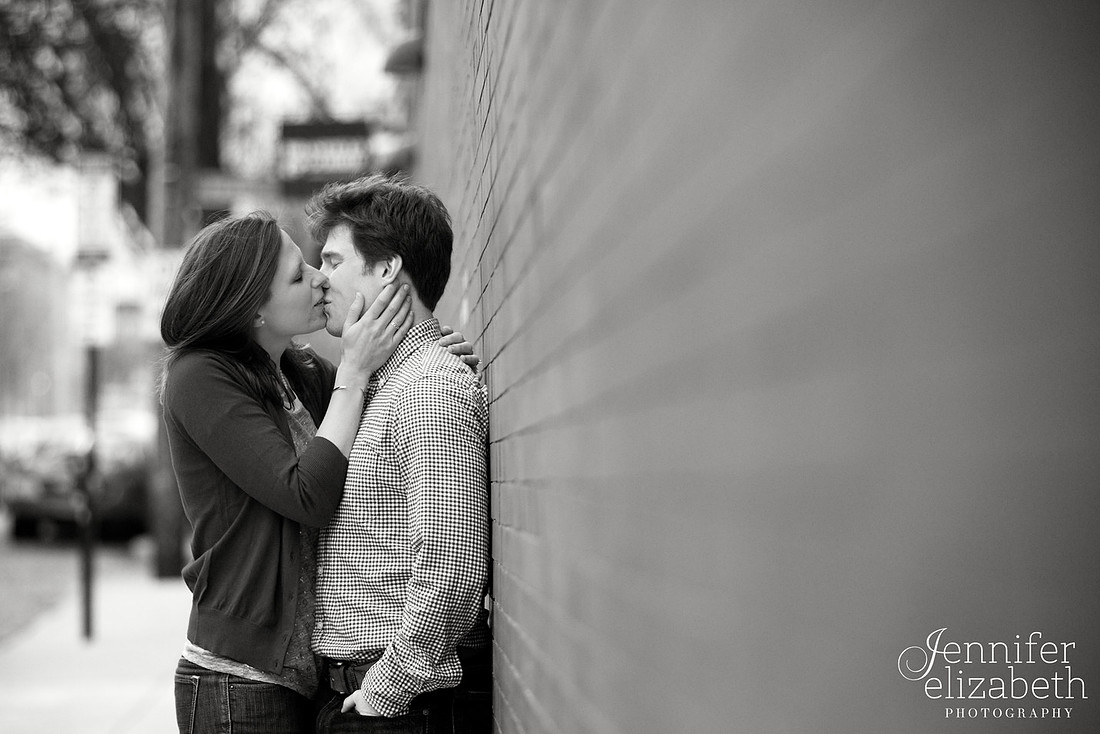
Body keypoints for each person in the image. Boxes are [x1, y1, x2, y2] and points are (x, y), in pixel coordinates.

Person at [159, 212, 475, 734]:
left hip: (312, 675)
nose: (319, 278)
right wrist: (354, 370)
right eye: (298, 275)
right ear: (252, 306)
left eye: (318, 263)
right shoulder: (199, 378)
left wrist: (427, 352)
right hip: (240, 679)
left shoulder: (299, 371)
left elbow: (377, 422)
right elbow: (305, 493)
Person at [308, 174, 493, 733]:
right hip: (367, 697)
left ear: (387, 269)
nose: (320, 279)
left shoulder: (429, 388)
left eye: (334, 261)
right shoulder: (386, 385)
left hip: (401, 710)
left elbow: (452, 568)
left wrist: (382, 695)